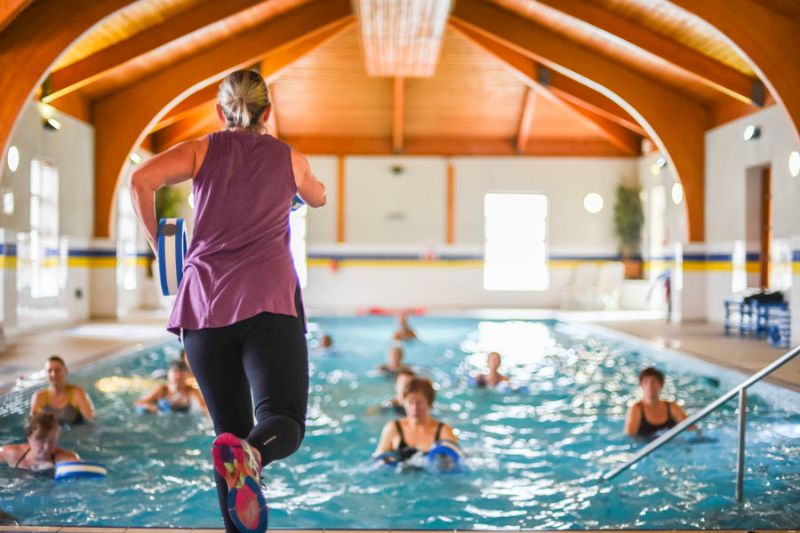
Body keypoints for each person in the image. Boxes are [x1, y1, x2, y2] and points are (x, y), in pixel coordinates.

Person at [130, 69, 326, 533]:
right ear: (269, 113)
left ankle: (241, 474)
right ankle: (254, 454)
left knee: (228, 442)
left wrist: (162, 250)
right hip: (267, 301)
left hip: (203, 304)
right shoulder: (288, 157)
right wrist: (300, 191)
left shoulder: (201, 149)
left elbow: (141, 180)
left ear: (220, 111)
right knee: (283, 421)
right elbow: (317, 197)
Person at [374, 377, 457, 462]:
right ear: (404, 403)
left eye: (419, 403)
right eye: (410, 402)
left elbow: (457, 462)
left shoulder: (443, 431)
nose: (414, 408)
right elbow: (377, 461)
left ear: (430, 403)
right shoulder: (393, 428)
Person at [625, 367, 694, 438]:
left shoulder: (672, 407)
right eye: (646, 382)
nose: (650, 386)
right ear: (641, 385)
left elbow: (692, 429)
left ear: (661, 384)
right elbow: (630, 437)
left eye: (653, 382)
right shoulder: (636, 409)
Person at [0, 412, 79, 471]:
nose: (47, 447)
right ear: (29, 438)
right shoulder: (12, 454)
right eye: (41, 441)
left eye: (51, 441)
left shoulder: (66, 459)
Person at [30, 356, 95, 425]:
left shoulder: (76, 393)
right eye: (50, 371)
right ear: (46, 374)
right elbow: (33, 425)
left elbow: (90, 420)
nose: (54, 374)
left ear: (65, 371)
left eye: (57, 370)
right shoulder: (39, 397)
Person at [135, 361, 207, 414]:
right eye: (175, 372)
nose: (178, 376)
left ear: (187, 376)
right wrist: (154, 408)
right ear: (168, 374)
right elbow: (140, 403)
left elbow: (203, 407)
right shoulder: (162, 389)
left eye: (181, 373)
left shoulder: (191, 390)